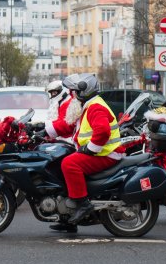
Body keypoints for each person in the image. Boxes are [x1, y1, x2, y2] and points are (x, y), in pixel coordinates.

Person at [49, 74, 122, 233]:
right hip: (100, 152)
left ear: (84, 91)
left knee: (69, 163)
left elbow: (102, 132)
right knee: (60, 160)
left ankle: (83, 204)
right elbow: (68, 126)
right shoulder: (87, 105)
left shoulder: (96, 107)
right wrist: (44, 129)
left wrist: (90, 149)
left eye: (74, 91)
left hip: (106, 153)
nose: (72, 94)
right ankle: (67, 217)